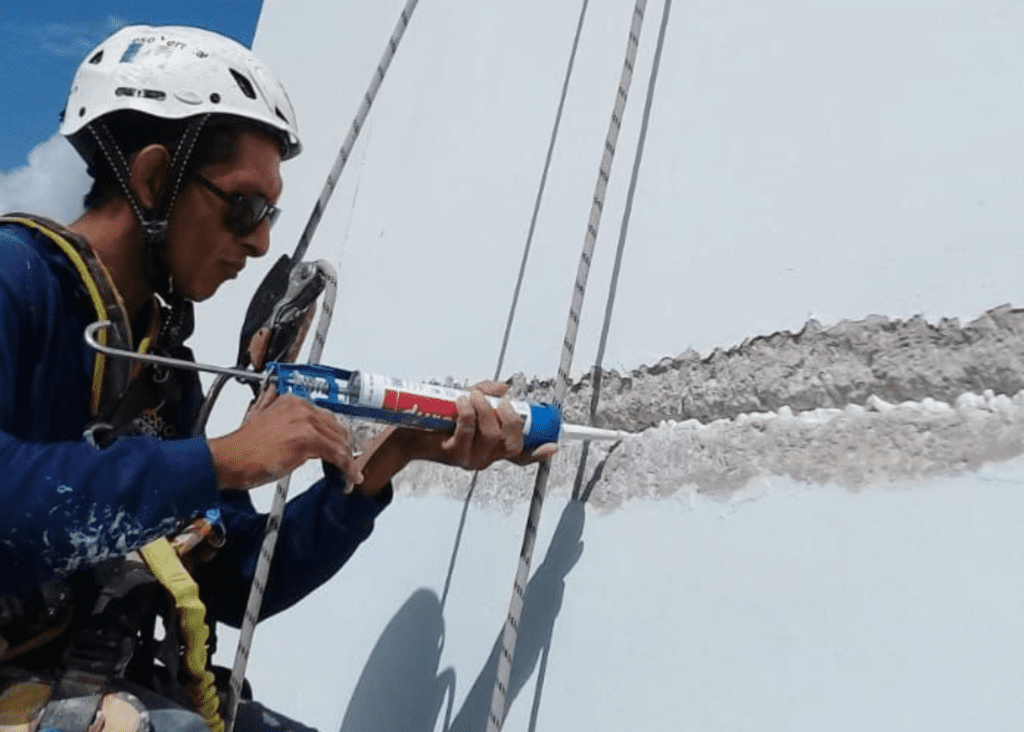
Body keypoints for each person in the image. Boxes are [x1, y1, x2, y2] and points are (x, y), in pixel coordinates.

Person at [0, 25, 554, 731]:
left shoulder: (162, 376)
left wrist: (383, 465)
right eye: (246, 207)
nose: (262, 242)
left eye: (270, 214)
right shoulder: (14, 282)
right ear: (153, 178)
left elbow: (233, 585)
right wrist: (222, 459)